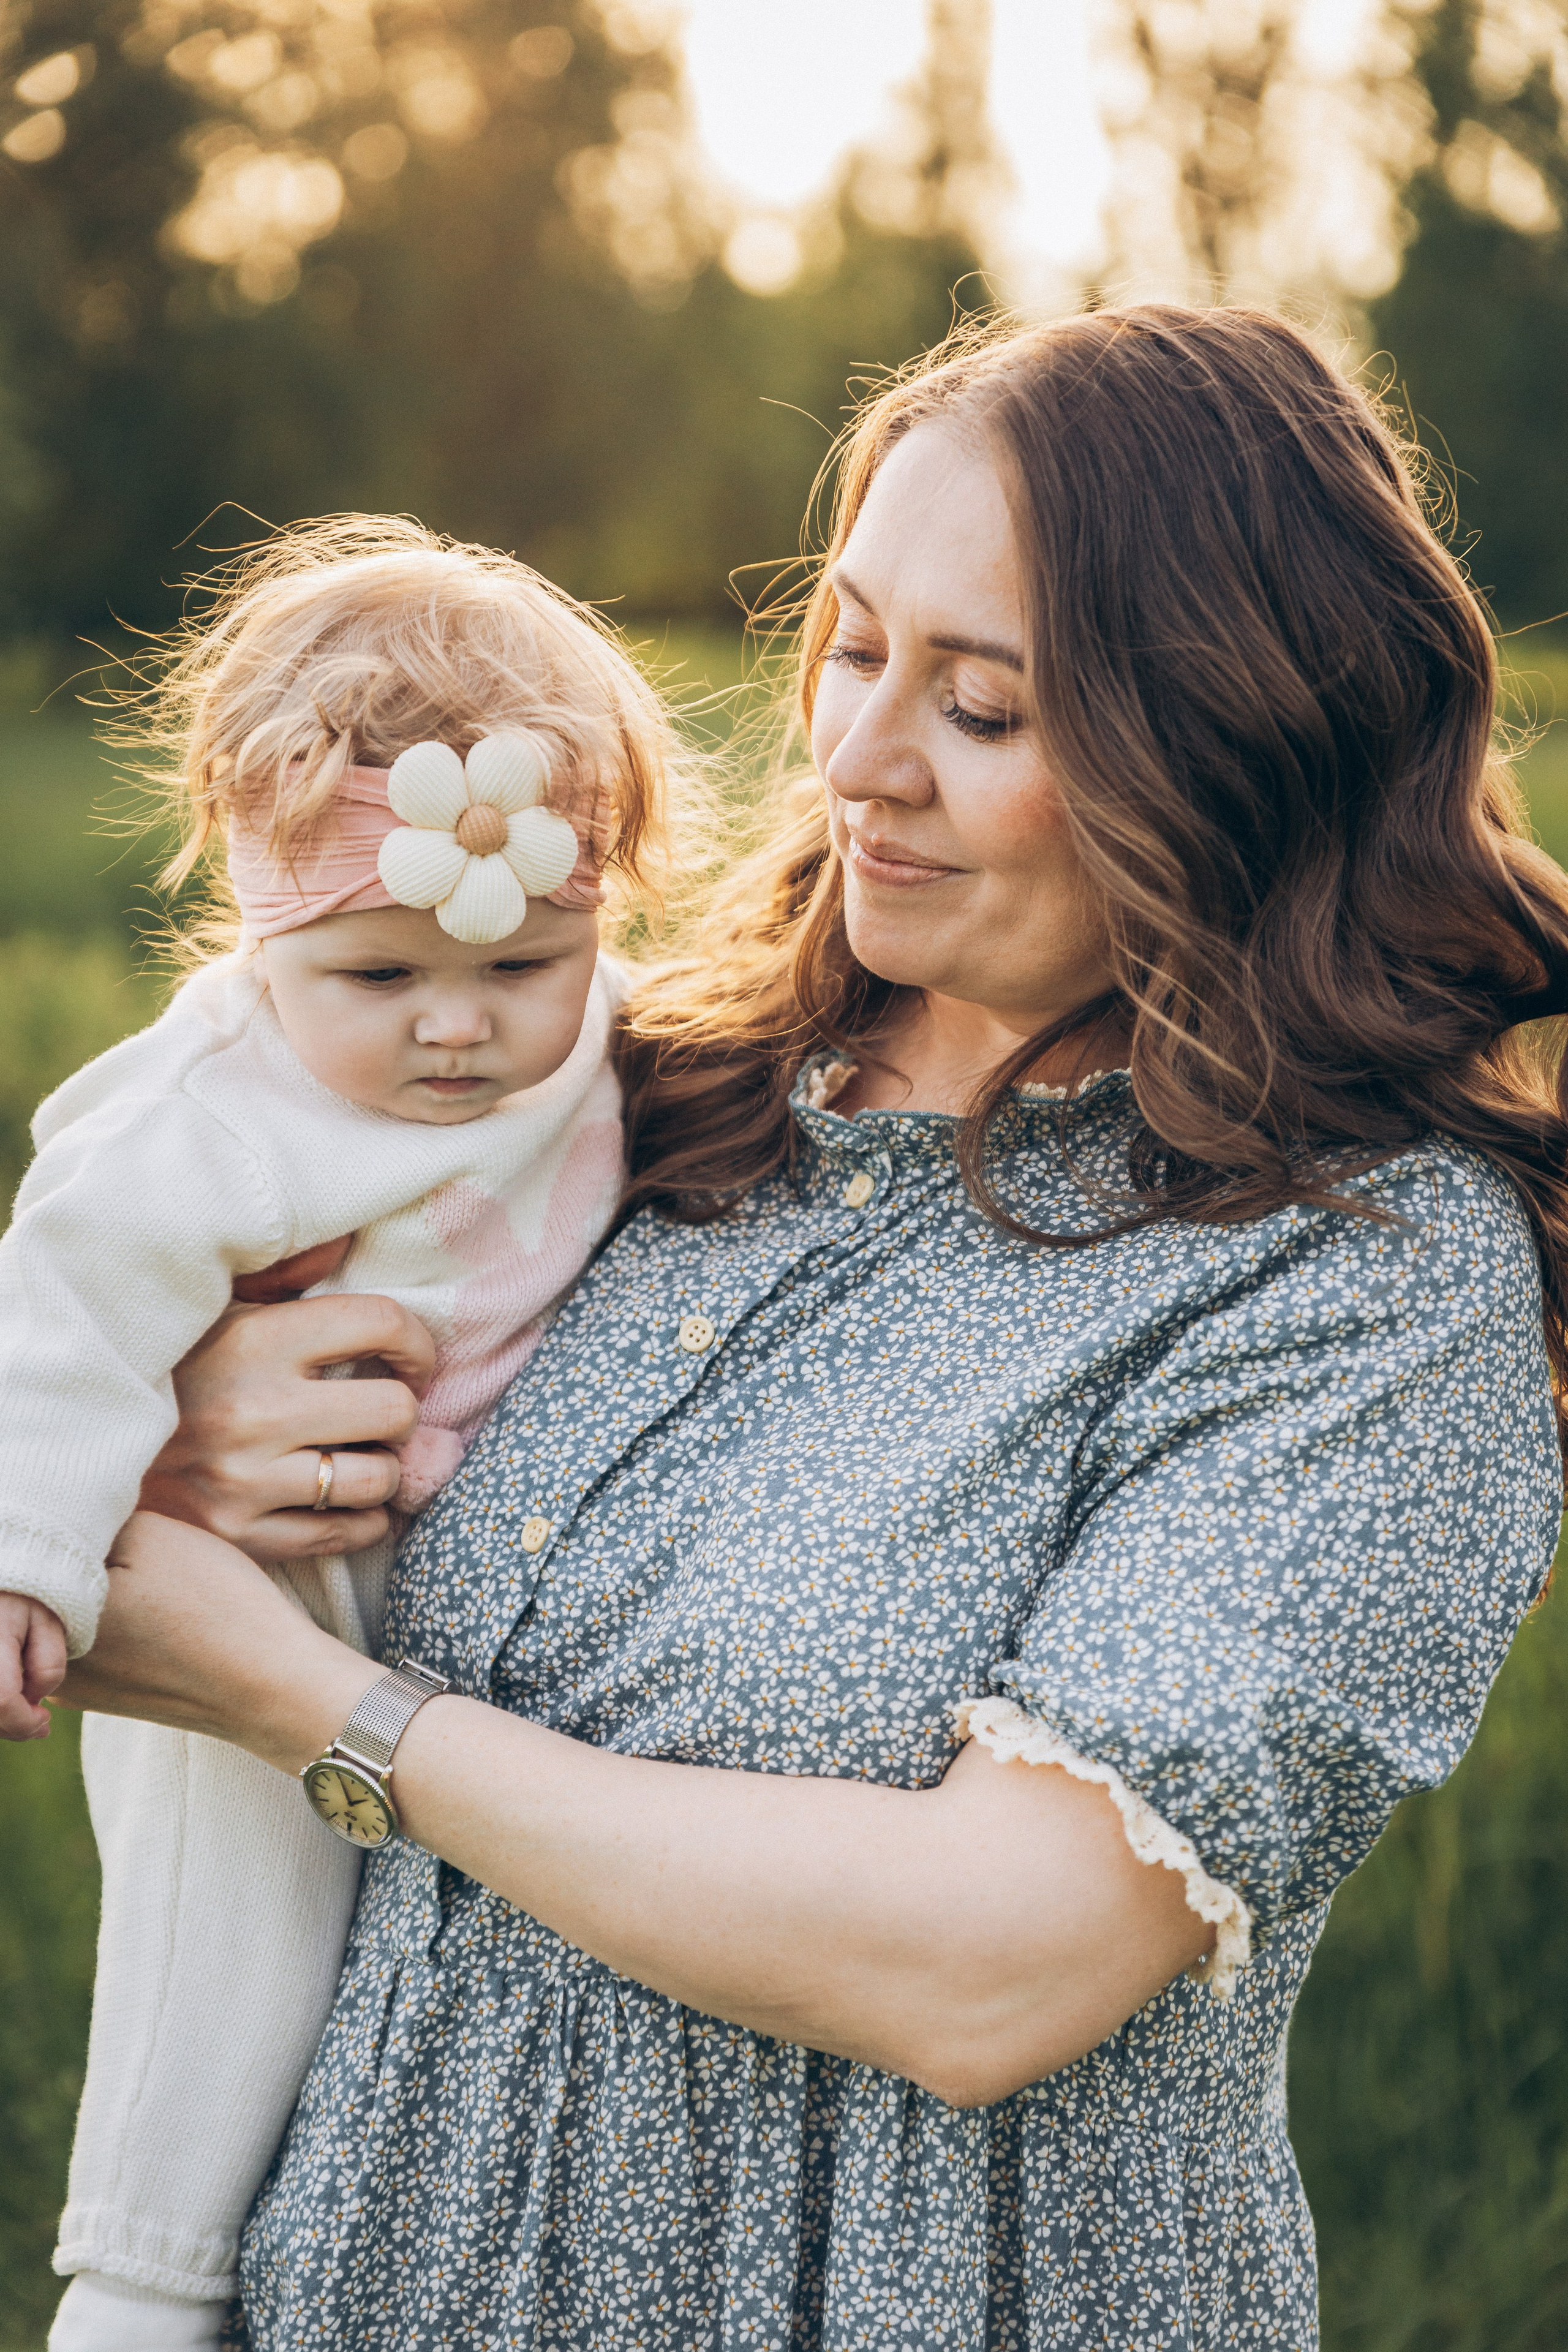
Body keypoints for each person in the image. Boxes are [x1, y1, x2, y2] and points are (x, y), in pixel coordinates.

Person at [55, 307, 1568, 2350]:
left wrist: (319, 1713)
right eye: (855, 650)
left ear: (1232, 742)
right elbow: (136, 1250)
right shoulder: (623, 1097)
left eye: (986, 707)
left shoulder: (1364, 1285)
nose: (854, 761)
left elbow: (988, 1970)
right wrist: (199, 1428)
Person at [1, 519, 688, 2352]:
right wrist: (29, 1550)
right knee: (232, 1928)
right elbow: (57, 1318)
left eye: (524, 968)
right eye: (379, 982)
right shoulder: (213, 1113)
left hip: (470, 1577)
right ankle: (138, 2284)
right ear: (260, 928)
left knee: (405, 1957)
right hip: (268, 1575)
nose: (459, 1030)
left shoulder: (610, 1032)